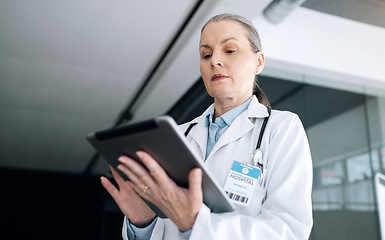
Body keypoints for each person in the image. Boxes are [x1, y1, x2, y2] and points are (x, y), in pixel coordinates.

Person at [100, 13, 313, 240]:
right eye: (206, 54)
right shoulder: (179, 135)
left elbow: (289, 231)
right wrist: (143, 223)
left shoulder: (281, 128)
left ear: (258, 62)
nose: (214, 61)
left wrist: (196, 223)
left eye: (229, 51)